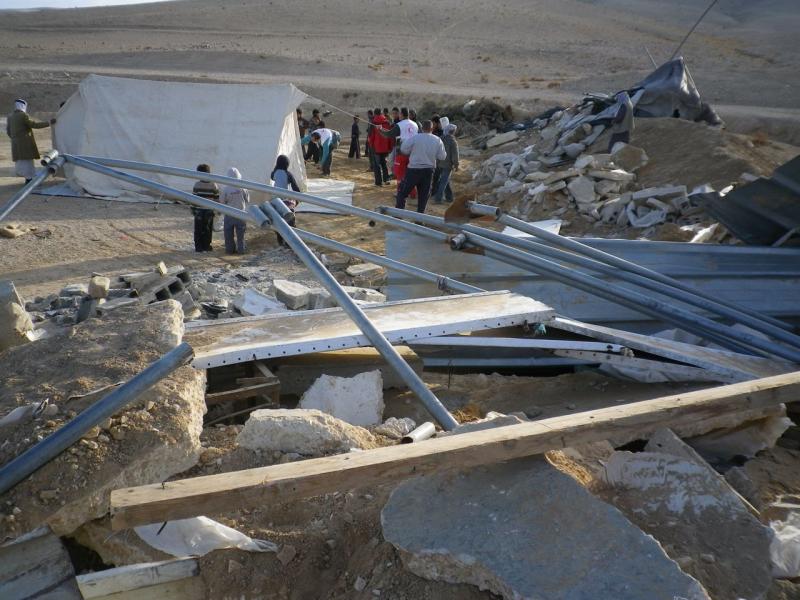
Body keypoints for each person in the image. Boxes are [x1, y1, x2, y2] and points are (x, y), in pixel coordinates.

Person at [395, 120, 445, 214]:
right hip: (428, 171)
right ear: (432, 128)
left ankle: (398, 215)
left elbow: (403, 149)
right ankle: (419, 219)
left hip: (413, 170)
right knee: (423, 196)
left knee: (402, 192)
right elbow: (442, 156)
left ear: (422, 128)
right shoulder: (437, 140)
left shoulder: (415, 138)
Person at [6, 99, 54, 184]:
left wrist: (15, 139)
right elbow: (34, 125)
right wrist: (49, 123)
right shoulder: (23, 115)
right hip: (25, 144)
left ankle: (27, 178)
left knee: (21, 161)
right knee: (27, 162)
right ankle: (29, 180)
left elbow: (8, 131)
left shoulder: (10, 116)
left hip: (15, 144)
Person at [268, 154, 300, 247]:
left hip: (276, 202)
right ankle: (291, 243)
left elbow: (272, 177)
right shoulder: (288, 174)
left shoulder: (274, 173)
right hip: (286, 202)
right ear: (287, 164)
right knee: (290, 222)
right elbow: (295, 188)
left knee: (278, 222)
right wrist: (298, 199)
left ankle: (280, 241)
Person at [191, 164, 219, 252]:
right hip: (209, 210)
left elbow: (194, 198)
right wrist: (217, 210)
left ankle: (198, 247)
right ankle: (206, 246)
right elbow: (216, 198)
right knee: (208, 229)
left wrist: (193, 209)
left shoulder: (197, 184)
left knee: (198, 229)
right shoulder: (214, 185)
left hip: (199, 210)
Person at [221, 167, 249, 254]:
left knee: (228, 234)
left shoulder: (225, 189)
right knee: (241, 235)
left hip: (229, 214)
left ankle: (229, 250)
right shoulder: (243, 188)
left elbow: (222, 201)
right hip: (241, 214)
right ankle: (241, 250)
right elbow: (247, 200)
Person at [432, 123, 459, 204]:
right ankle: (438, 198)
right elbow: (455, 155)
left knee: (446, 181)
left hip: (439, 162)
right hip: (447, 164)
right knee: (444, 181)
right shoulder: (453, 141)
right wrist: (456, 165)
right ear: (453, 131)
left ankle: (449, 197)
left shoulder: (440, 138)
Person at [368, 107, 393, 186]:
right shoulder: (387, 123)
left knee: (377, 165)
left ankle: (378, 182)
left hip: (376, 148)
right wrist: (390, 147)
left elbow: (371, 136)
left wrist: (371, 146)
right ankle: (386, 179)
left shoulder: (373, 123)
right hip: (385, 148)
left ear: (375, 114)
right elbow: (390, 135)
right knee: (384, 164)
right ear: (381, 113)